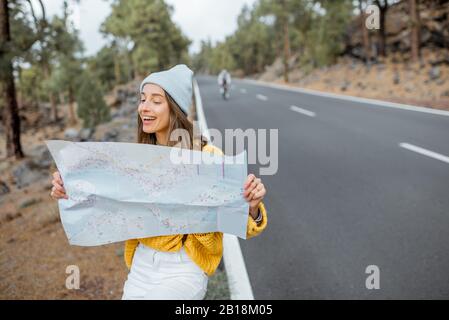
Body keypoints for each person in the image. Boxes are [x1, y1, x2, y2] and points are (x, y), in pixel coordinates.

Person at [50, 64, 268, 300]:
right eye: (143, 99)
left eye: (156, 100)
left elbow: (240, 219)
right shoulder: (134, 159)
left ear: (175, 109)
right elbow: (105, 201)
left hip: (184, 269)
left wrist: (253, 206)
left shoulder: (208, 157)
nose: (144, 107)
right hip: (141, 265)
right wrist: (70, 188)